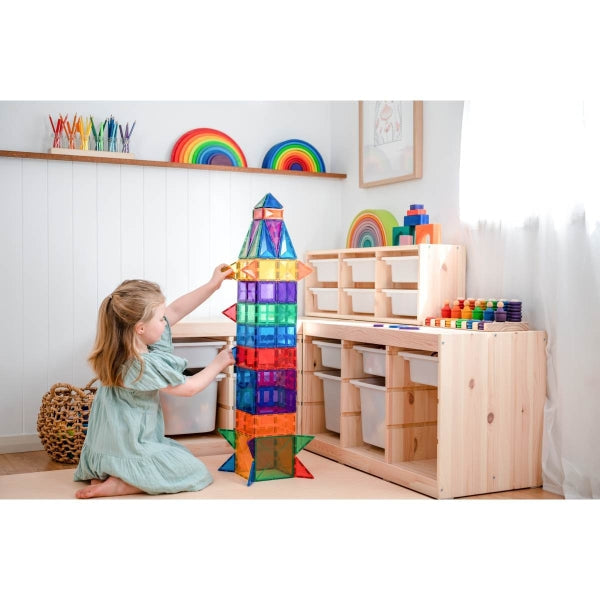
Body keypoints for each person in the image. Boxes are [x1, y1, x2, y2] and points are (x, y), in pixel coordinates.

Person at [73, 264, 234, 499]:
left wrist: (213, 285)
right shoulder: (141, 365)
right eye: (160, 318)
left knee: (173, 452)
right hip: (131, 445)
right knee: (195, 470)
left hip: (107, 446)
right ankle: (124, 483)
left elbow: (176, 309)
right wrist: (219, 362)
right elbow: (189, 389)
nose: (165, 322)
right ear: (140, 328)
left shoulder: (119, 352)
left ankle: (110, 472)